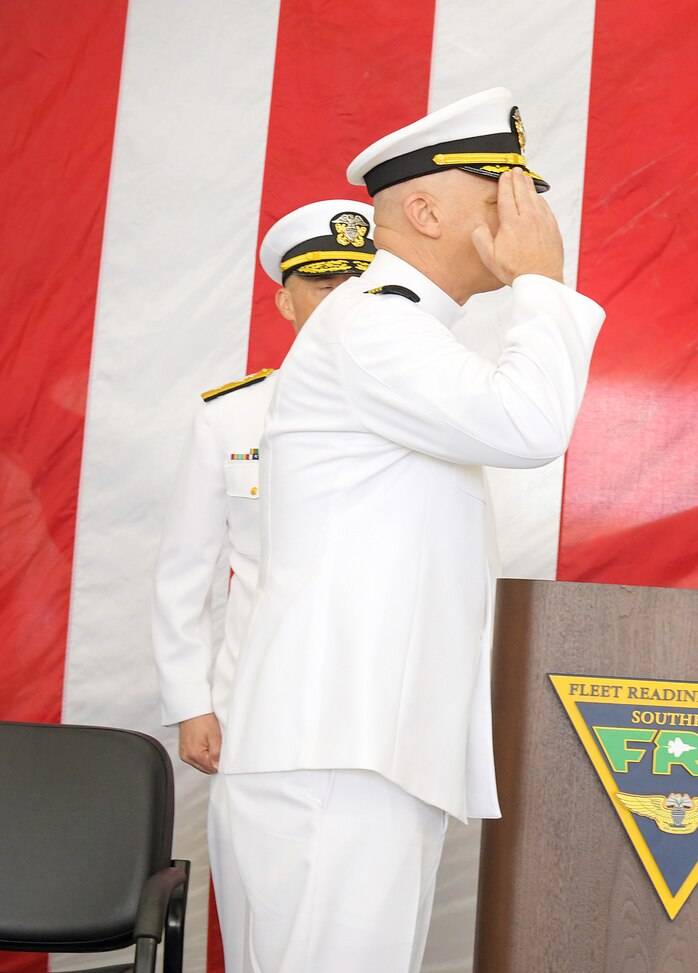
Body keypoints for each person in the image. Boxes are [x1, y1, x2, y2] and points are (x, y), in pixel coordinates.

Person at [218, 87, 604, 973]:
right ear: (424, 208)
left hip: (358, 748)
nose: (527, 212)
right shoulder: (372, 326)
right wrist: (543, 284)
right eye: (501, 190)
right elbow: (530, 425)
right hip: (339, 752)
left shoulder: (400, 329)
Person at [151, 198, 376, 972]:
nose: (344, 298)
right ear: (286, 301)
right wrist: (191, 702)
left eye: (364, 281)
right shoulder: (231, 418)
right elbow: (186, 570)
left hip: (380, 713)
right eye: (323, 285)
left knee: (367, 929)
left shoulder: (426, 412)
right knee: (263, 925)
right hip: (258, 709)